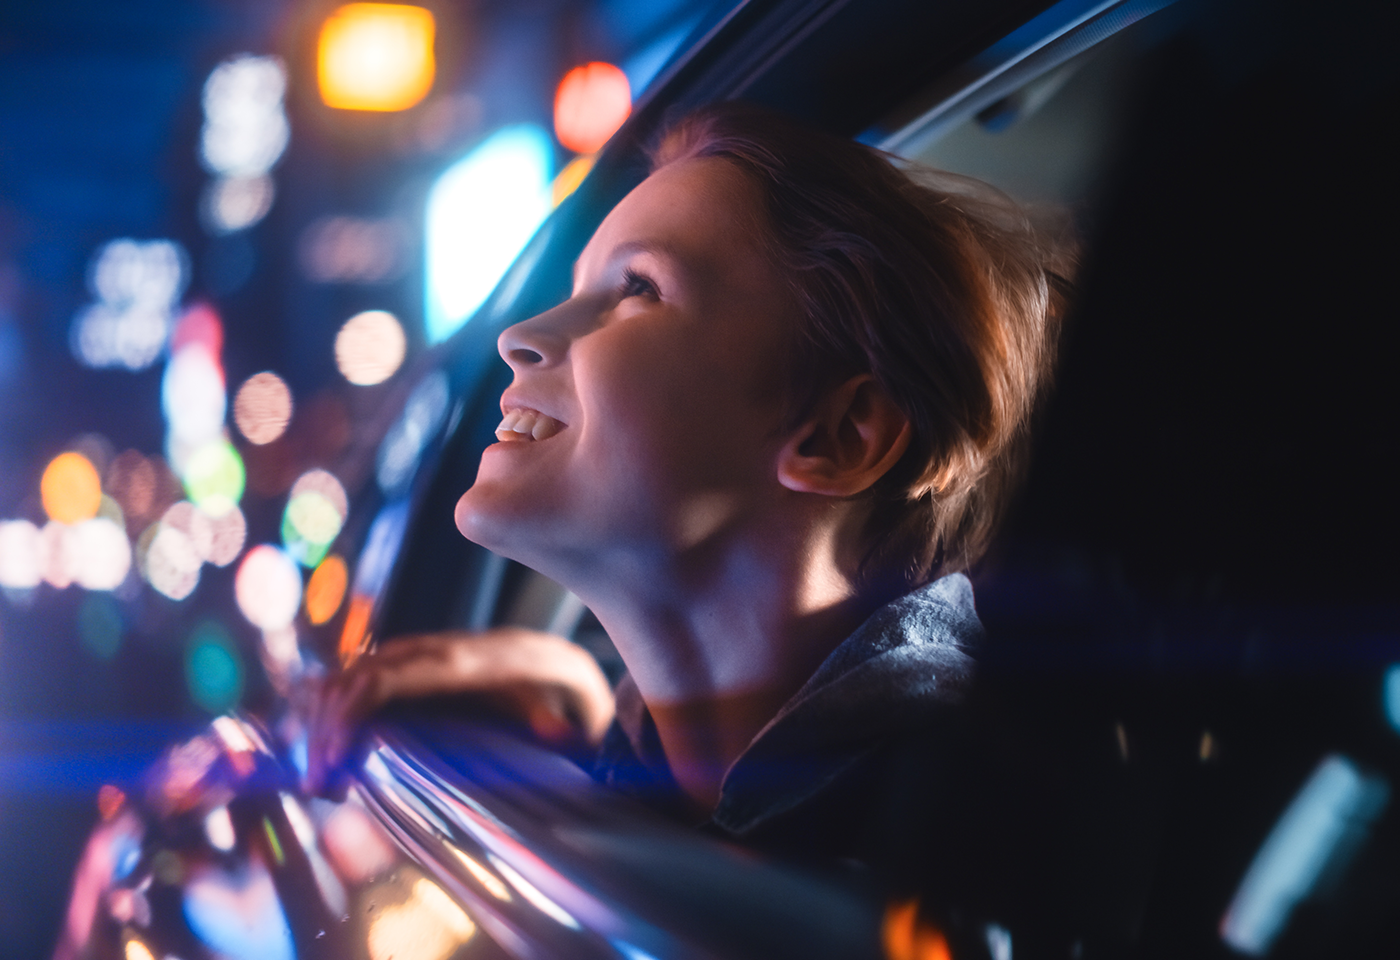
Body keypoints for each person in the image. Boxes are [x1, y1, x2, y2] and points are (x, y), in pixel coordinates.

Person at [306, 102, 1070, 924]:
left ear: (839, 437)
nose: (520, 335)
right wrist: (580, 694)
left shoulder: (965, 865)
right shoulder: (809, 796)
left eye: (636, 287)